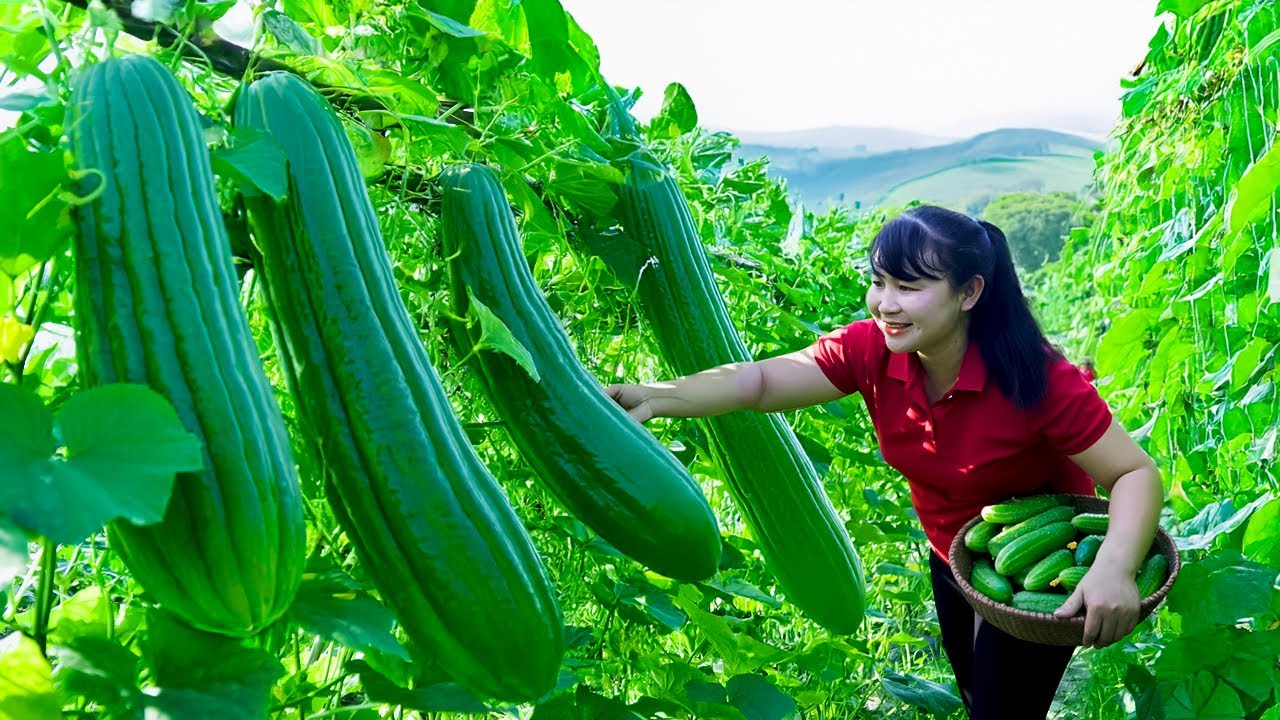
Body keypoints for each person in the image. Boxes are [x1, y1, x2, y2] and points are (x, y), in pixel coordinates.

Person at [604, 205, 1164, 720]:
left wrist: (1113, 567)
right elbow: (761, 380)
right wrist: (656, 396)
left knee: (1004, 711)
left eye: (908, 287)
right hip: (952, 552)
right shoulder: (871, 350)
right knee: (974, 691)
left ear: (969, 293)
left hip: (1033, 562)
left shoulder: (1037, 379)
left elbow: (1133, 473)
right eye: (879, 282)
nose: (885, 303)